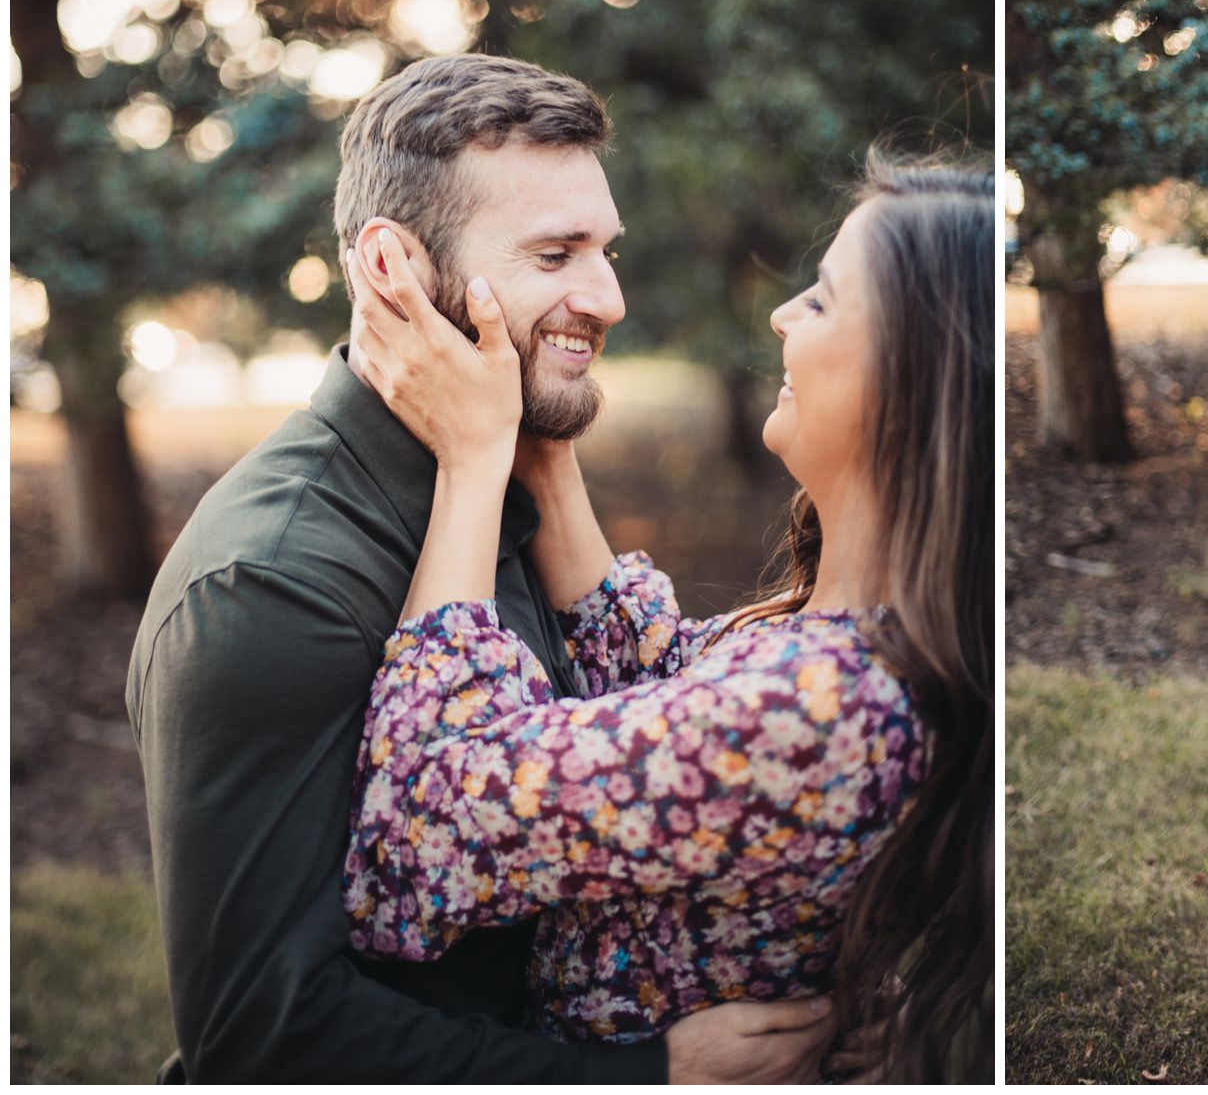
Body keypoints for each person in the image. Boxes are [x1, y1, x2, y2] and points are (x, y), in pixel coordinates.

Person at [127, 54, 836, 1081]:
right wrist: (647, 1076)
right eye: (555, 254)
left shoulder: (509, 487)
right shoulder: (267, 583)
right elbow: (261, 1040)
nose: (609, 299)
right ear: (395, 270)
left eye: (605, 249)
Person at [336, 153, 994, 1080]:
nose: (780, 312)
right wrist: (539, 433)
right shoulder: (854, 633)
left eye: (824, 300)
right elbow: (663, 686)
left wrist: (474, 460)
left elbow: (412, 839)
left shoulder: (820, 714)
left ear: (917, 378)